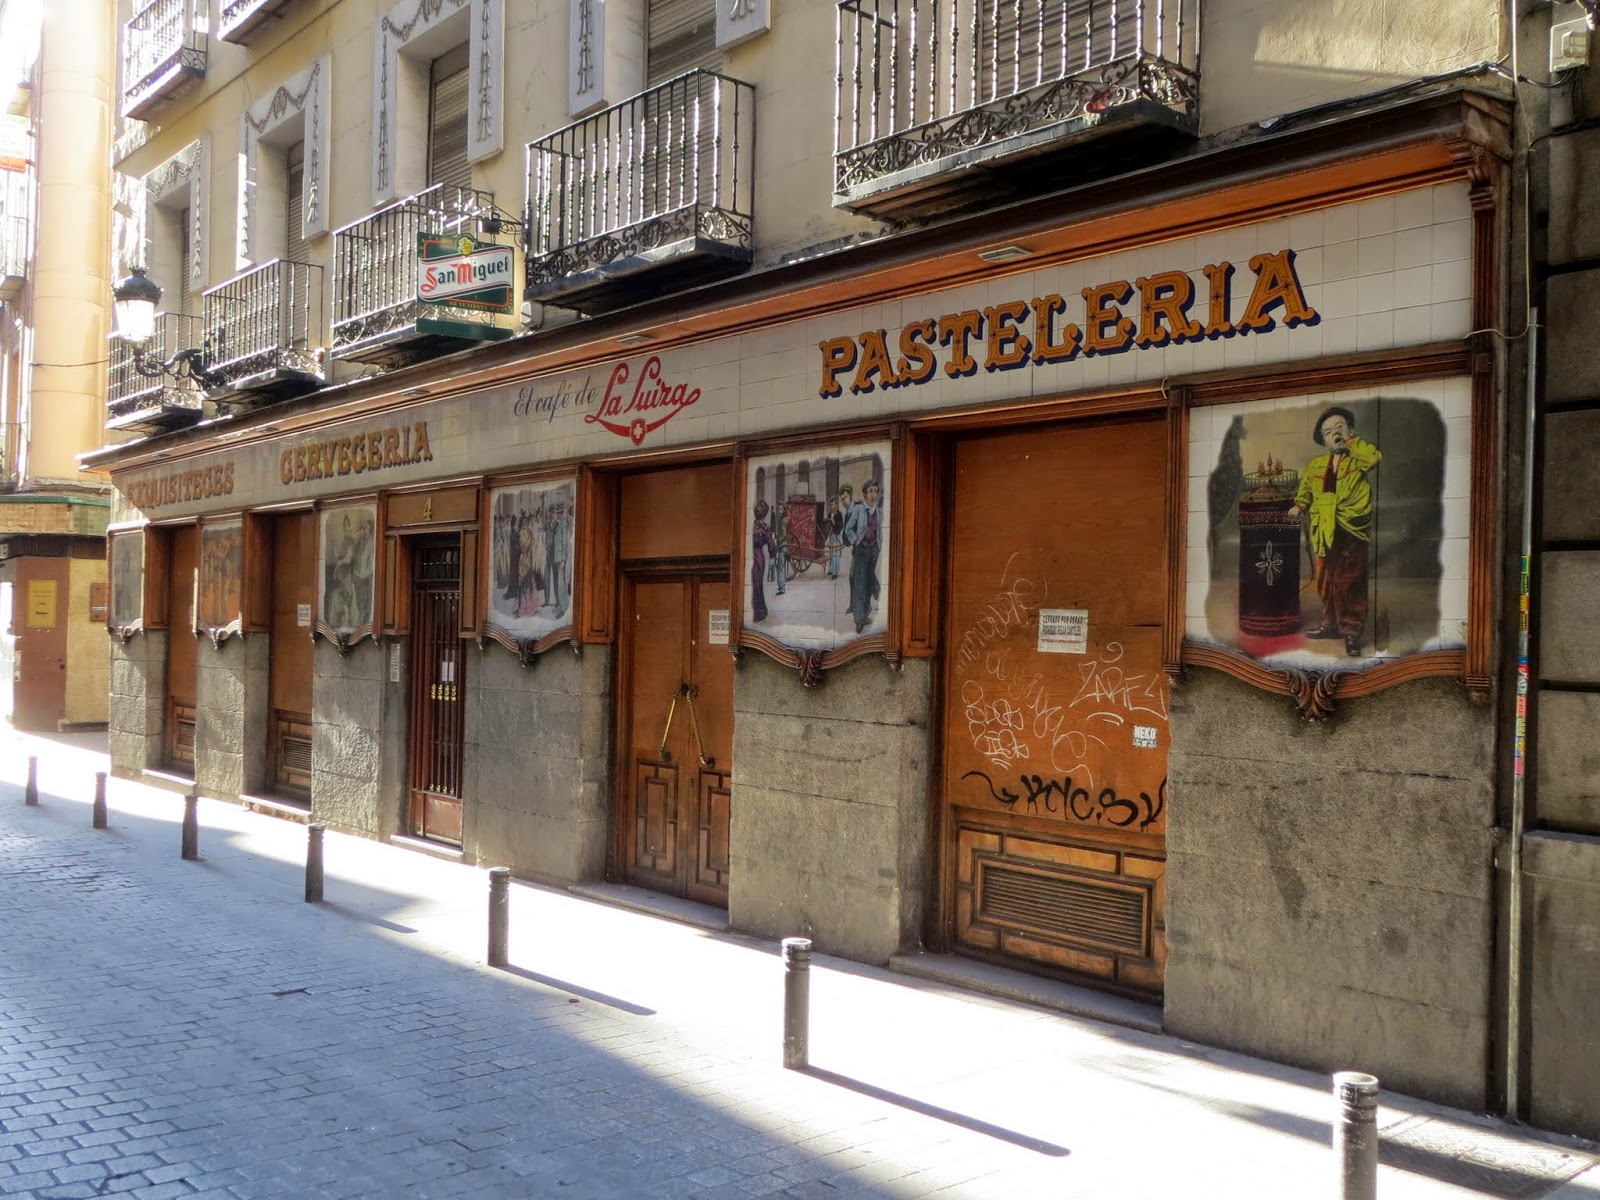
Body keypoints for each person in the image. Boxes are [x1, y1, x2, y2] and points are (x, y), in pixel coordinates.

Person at [1286, 406, 1382, 658]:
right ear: (1323, 440)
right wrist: (1299, 505)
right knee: (1326, 580)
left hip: (1351, 526)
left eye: (1340, 428)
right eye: (1328, 432)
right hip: (1323, 528)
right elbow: (1306, 489)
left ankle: (1351, 632)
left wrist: (1351, 442)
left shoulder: (1358, 458)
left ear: (1351, 431)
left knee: (1350, 581)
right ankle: (1330, 625)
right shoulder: (1316, 465)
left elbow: (1373, 458)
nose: (1335, 434)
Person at [842, 479, 882, 635]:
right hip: (861, 550)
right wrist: (856, 540)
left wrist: (878, 546)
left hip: (873, 550)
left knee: (868, 583)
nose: (873, 495)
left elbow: (881, 531)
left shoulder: (878, 512)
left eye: (875, 491)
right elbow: (848, 529)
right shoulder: (859, 510)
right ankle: (859, 620)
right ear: (864, 494)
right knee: (859, 584)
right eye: (870, 491)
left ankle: (865, 615)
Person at [750, 499, 778, 622]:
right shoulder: (764, 527)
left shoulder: (751, 525)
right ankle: (760, 611)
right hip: (758, 557)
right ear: (765, 514)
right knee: (757, 584)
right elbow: (771, 545)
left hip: (749, 554)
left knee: (752, 583)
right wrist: (773, 553)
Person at [825, 485, 850, 579]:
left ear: (836, 505)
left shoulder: (839, 514)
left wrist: (833, 521)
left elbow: (840, 526)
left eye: (833, 504)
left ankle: (836, 572)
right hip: (831, 535)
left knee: (836, 554)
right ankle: (831, 570)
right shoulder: (829, 514)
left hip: (837, 535)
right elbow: (827, 525)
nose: (831, 506)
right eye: (830, 504)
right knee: (831, 552)